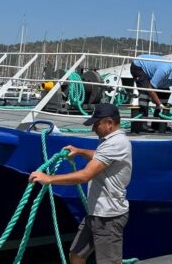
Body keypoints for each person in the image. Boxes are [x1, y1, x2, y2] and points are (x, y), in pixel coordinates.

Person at [29, 103, 132, 264]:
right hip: (96, 213)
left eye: (96, 125)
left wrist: (49, 179)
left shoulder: (116, 143)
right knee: (76, 255)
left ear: (109, 123)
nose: (93, 129)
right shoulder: (109, 141)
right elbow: (99, 156)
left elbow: (85, 175)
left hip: (108, 217)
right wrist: (79, 151)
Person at [130, 54, 172, 133]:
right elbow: (150, 88)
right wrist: (160, 104)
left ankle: (157, 124)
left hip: (153, 72)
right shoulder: (164, 70)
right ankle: (142, 124)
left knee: (165, 93)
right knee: (145, 93)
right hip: (139, 66)